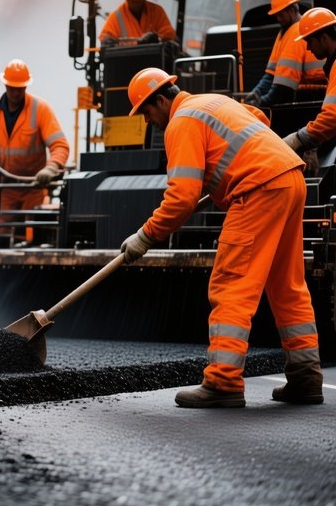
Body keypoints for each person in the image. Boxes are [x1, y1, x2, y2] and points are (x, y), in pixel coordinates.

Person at [121, 67, 322, 408]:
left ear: (159, 100)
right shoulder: (210, 101)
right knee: (287, 284)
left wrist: (145, 236)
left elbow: (182, 197)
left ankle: (223, 381)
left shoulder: (181, 122)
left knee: (232, 284)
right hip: (289, 179)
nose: (148, 121)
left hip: (259, 189)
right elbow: (258, 118)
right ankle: (305, 377)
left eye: (145, 112)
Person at [0, 59, 69, 231]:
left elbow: (60, 145)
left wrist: (50, 168)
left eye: (19, 88)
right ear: (5, 85)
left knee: (32, 235)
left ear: (26, 87)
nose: (15, 93)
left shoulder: (40, 109)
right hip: (2, 189)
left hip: (33, 188)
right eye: (12, 88)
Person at [282, 7, 336, 175]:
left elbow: (334, 117)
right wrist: (313, 146)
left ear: (324, 38)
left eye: (310, 41)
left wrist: (299, 139)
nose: (309, 48)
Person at [244, 0, 326, 107]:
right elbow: (271, 74)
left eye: (281, 15)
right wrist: (256, 93)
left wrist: (261, 103)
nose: (279, 19)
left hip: (312, 95)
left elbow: (284, 87)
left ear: (292, 10)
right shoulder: (284, 32)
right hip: (304, 93)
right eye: (277, 15)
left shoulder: (297, 31)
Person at [99, 0, 177, 47]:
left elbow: (169, 34)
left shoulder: (156, 11)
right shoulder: (116, 16)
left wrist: (157, 38)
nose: (136, 4)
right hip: (126, 60)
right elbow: (105, 37)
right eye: (132, 1)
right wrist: (107, 41)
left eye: (139, 0)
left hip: (154, 59)